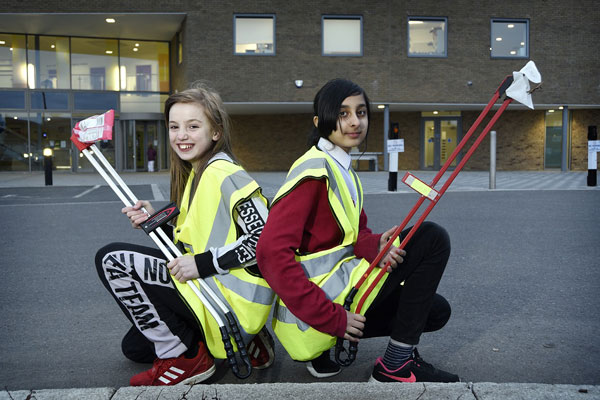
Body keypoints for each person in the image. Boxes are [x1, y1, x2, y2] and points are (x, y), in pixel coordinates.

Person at [256, 78, 459, 383]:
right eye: (343, 113)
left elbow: (354, 235)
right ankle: (395, 365)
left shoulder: (340, 168)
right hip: (315, 314)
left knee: (434, 311)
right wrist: (333, 319)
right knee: (431, 238)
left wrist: (377, 244)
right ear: (319, 121)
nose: (355, 122)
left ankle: (327, 351)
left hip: (331, 298)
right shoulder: (314, 172)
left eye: (361, 113)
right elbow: (269, 254)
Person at [95, 83, 275, 386]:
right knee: (135, 347)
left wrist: (201, 264)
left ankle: (187, 360)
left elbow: (264, 242)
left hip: (227, 300)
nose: (181, 135)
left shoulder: (224, 174)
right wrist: (157, 221)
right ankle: (243, 343)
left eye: (193, 126)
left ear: (216, 132)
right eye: (174, 126)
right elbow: (191, 242)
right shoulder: (197, 174)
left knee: (113, 260)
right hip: (210, 291)